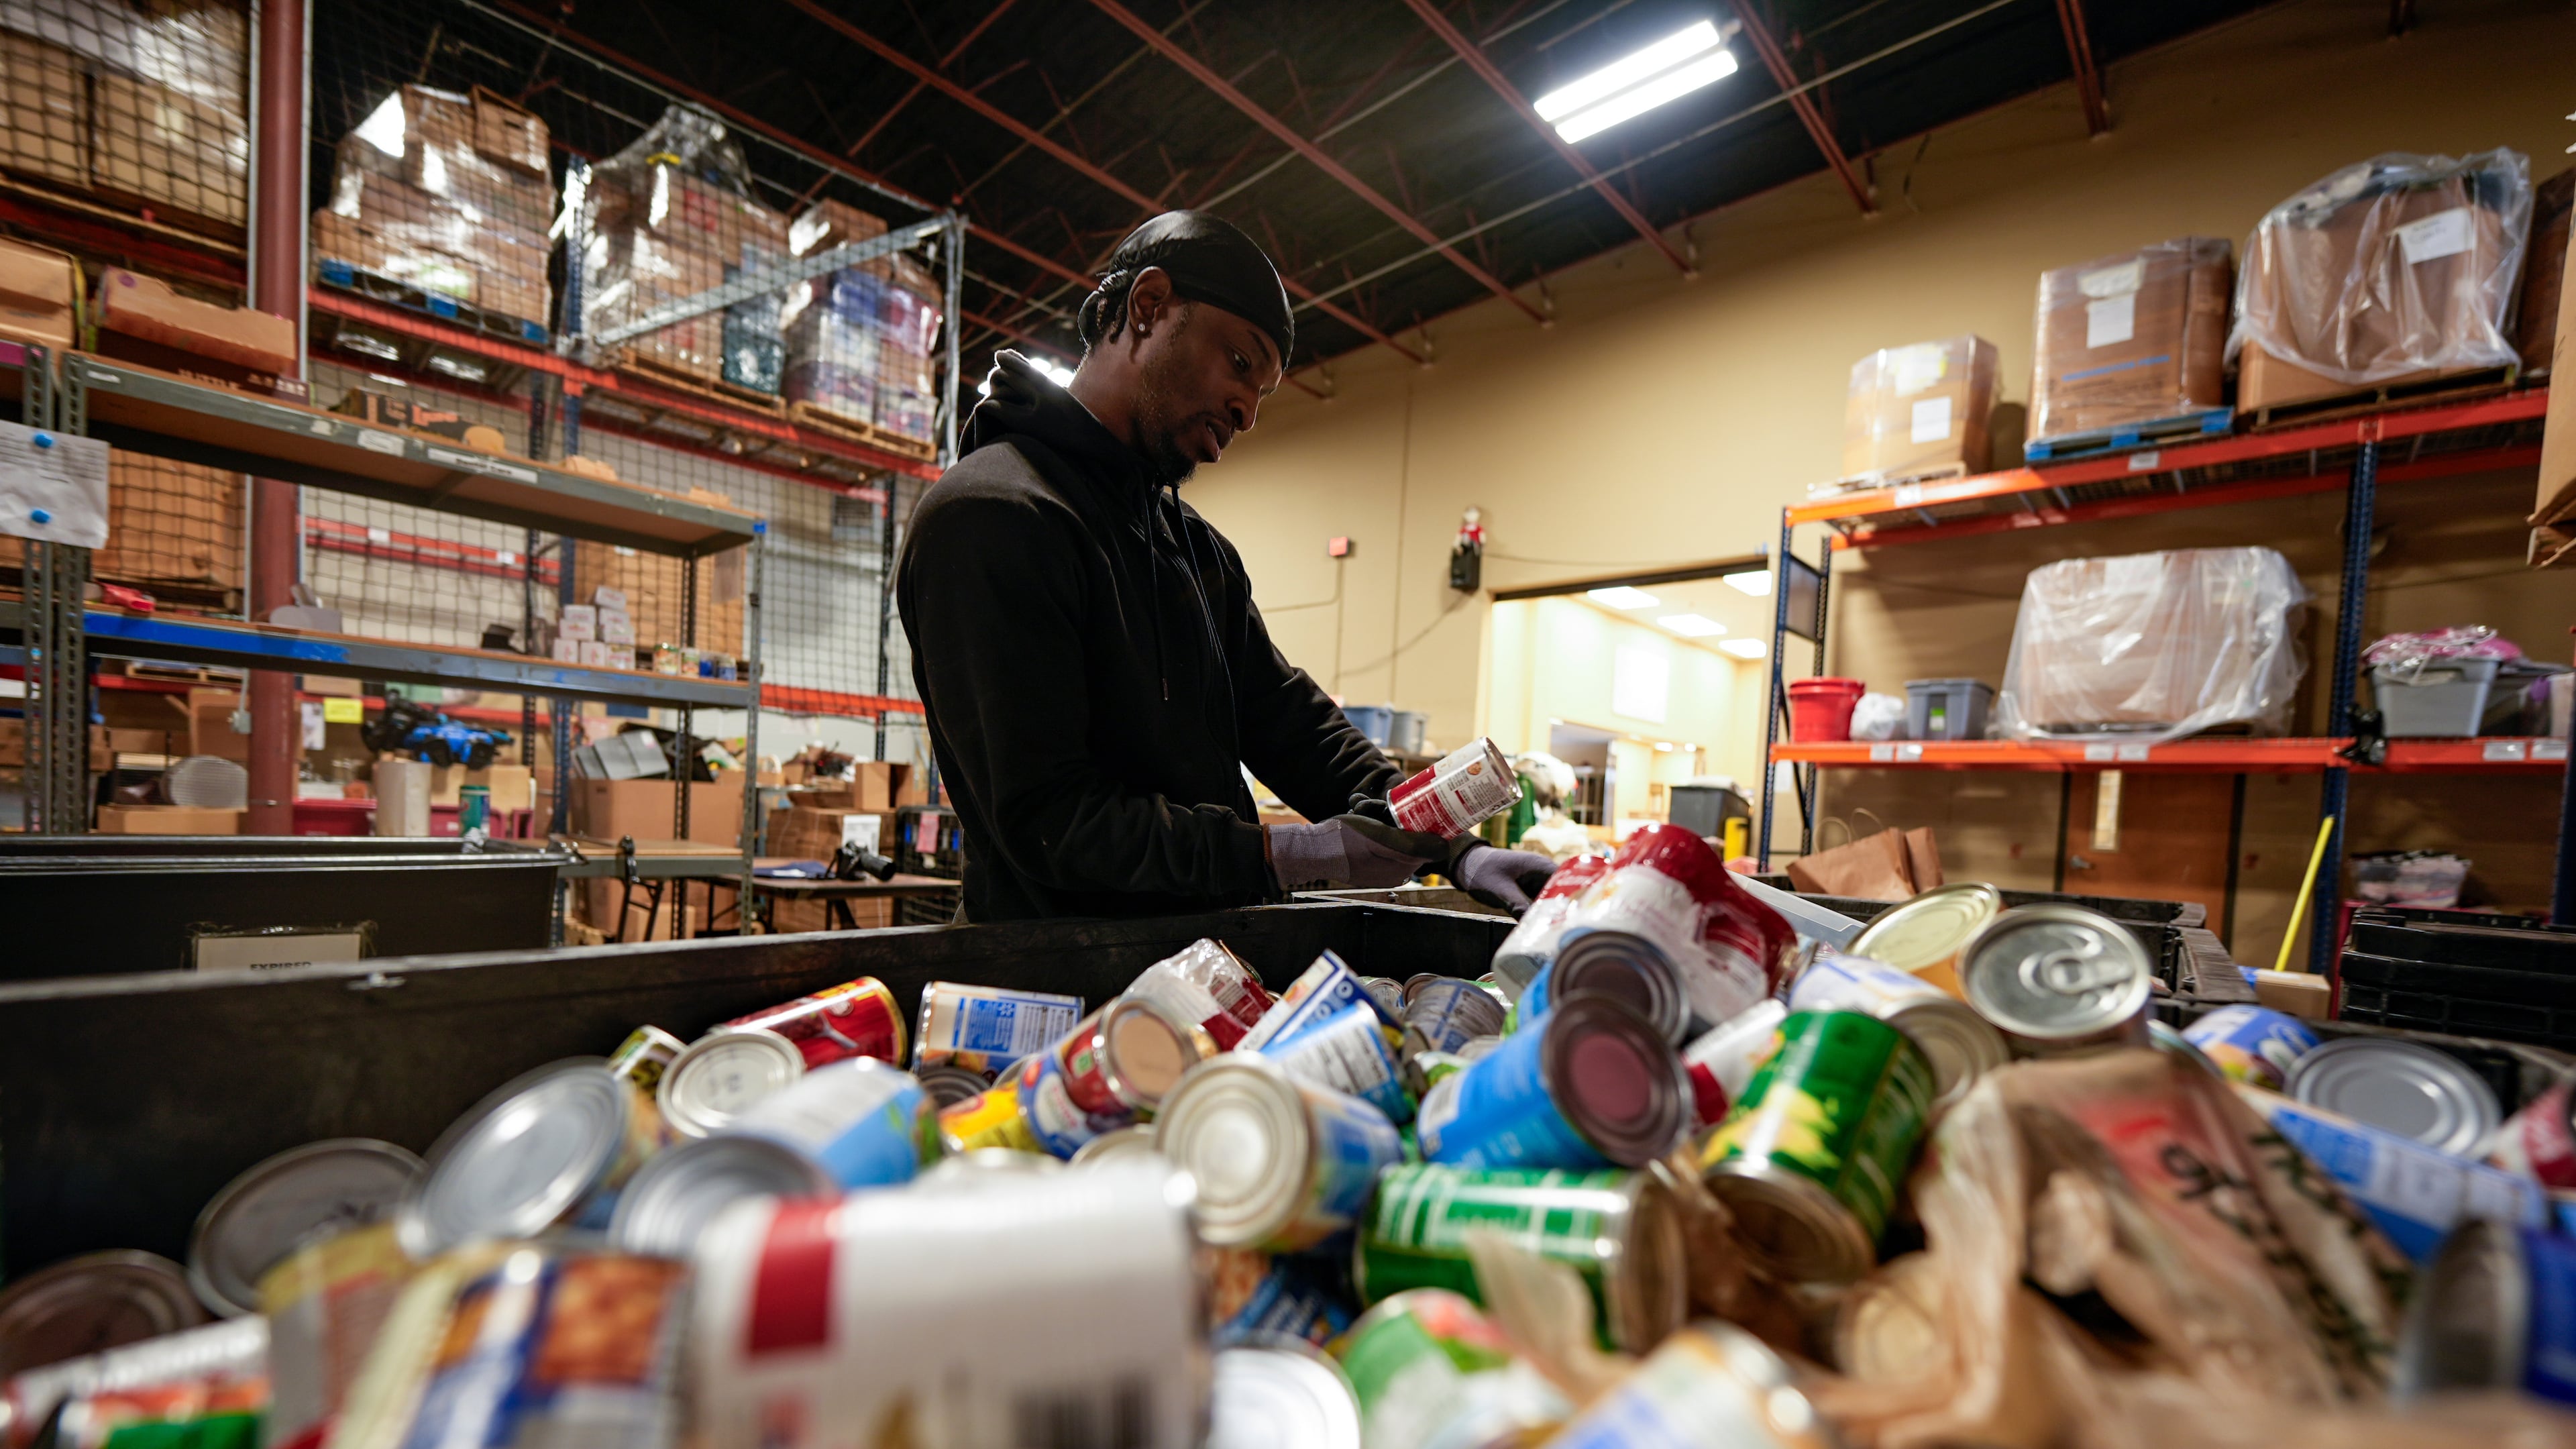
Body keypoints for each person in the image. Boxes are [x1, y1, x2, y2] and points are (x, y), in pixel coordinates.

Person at [896, 211, 1556, 923]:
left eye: (1263, 394)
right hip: (1056, 984)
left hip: (1200, 969)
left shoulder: (1192, 546)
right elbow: (1052, 821)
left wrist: (1452, 849)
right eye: (1241, 364)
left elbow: (1288, 723)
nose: (1246, 413)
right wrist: (1292, 855)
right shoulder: (997, 516)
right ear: (1148, 308)